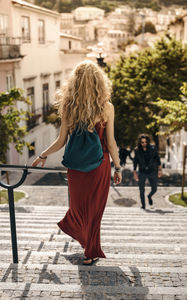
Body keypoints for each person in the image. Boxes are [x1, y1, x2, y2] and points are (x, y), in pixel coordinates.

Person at [32, 60, 122, 265]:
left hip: (75, 167)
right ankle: (90, 249)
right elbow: (111, 142)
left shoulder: (69, 106)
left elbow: (61, 141)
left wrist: (43, 155)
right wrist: (117, 167)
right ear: (99, 82)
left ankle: (80, 235)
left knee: (79, 206)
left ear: (75, 82)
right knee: (94, 209)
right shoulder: (107, 107)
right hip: (100, 165)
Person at [133, 134, 162, 209]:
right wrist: (135, 173)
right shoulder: (137, 150)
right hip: (142, 172)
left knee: (154, 189)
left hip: (152, 171)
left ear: (148, 142)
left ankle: (149, 196)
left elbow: (158, 159)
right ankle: (143, 205)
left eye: (145, 142)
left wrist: (160, 170)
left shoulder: (153, 148)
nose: (144, 144)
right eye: (142, 142)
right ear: (140, 142)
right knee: (141, 190)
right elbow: (135, 162)